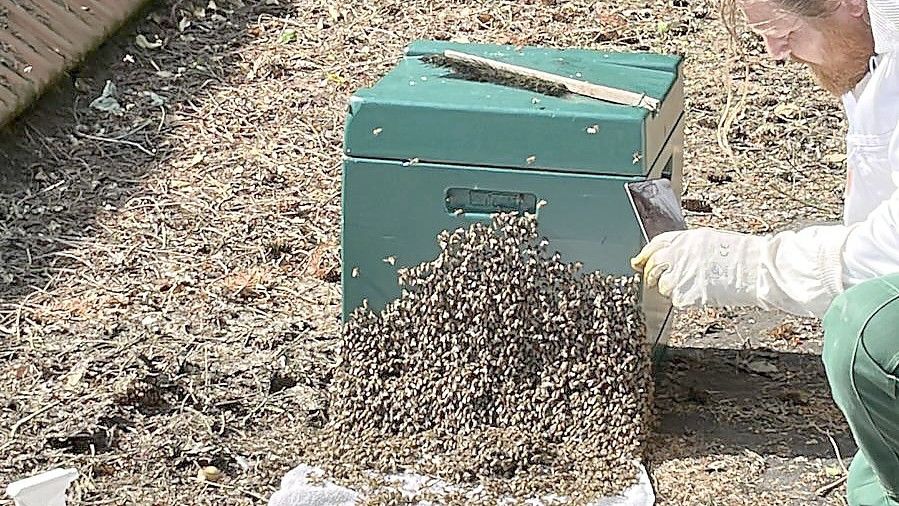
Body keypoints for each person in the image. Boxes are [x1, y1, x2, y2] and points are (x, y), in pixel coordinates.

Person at [631, 0, 899, 504]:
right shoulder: (871, 46)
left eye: (784, 30)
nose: (775, 53)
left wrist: (747, 267)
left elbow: (891, 251)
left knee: (868, 330)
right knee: (870, 476)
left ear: (849, 4)